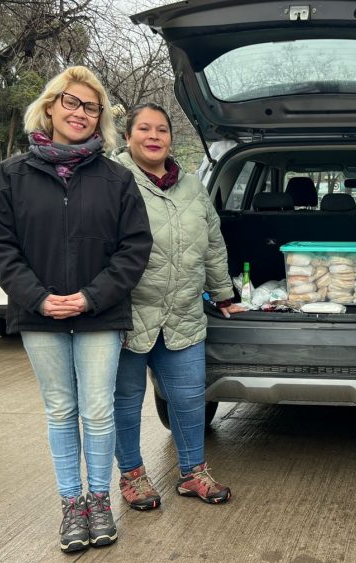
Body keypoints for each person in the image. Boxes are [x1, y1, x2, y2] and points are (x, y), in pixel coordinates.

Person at [0, 66, 153, 553]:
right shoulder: (13, 174)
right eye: (71, 103)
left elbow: (134, 248)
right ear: (51, 106)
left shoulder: (117, 178)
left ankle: (100, 500)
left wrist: (91, 296)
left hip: (100, 313)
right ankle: (71, 506)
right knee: (60, 411)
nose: (80, 113)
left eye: (91, 107)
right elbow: (0, 244)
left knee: (97, 412)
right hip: (39, 315)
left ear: (101, 119)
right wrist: (37, 296)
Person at [111, 104, 242, 511]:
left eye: (162, 130)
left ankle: (192, 474)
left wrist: (223, 294)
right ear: (128, 135)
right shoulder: (112, 180)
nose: (154, 136)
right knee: (126, 401)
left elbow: (213, 242)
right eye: (144, 129)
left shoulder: (191, 185)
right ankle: (132, 476)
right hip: (129, 315)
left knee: (188, 400)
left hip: (184, 312)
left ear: (170, 137)